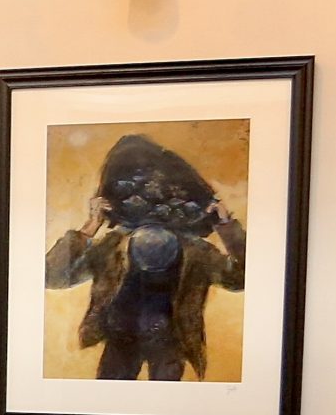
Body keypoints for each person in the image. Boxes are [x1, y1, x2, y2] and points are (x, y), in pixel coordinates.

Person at [43, 136, 247, 381]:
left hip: (171, 342)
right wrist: (89, 227)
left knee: (165, 408)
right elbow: (52, 277)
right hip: (119, 339)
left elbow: (242, 277)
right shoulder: (111, 246)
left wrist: (226, 225)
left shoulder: (197, 252)